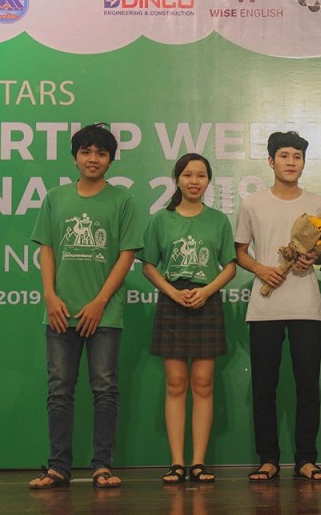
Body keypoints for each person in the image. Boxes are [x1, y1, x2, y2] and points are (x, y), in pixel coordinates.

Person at [28, 123, 144, 489]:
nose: (93, 159)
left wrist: (99, 302)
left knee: (105, 389)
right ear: (75, 156)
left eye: (101, 153)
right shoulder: (55, 197)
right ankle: (58, 467)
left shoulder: (123, 200)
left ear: (110, 160)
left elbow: (126, 256)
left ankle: (102, 466)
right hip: (61, 311)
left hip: (104, 314)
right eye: (86, 152)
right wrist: (49, 295)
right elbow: (46, 248)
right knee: (59, 389)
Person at [234, 131, 321, 483]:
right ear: (271, 160)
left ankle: (307, 459)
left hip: (307, 305)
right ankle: (268, 459)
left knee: (308, 387)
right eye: (285, 156)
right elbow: (240, 252)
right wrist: (261, 268)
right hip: (266, 308)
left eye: (297, 157)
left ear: (303, 163)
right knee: (264, 387)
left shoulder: (319, 204)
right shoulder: (252, 204)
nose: (291, 162)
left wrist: (312, 259)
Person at [139, 153, 237, 484]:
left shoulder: (219, 220)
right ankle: (177, 463)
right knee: (176, 383)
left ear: (208, 181)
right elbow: (149, 264)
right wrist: (171, 291)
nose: (194, 181)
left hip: (205, 298)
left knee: (203, 383)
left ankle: (198, 463)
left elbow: (230, 266)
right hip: (173, 300)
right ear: (177, 179)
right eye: (187, 175)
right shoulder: (160, 220)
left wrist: (207, 291)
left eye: (201, 175)